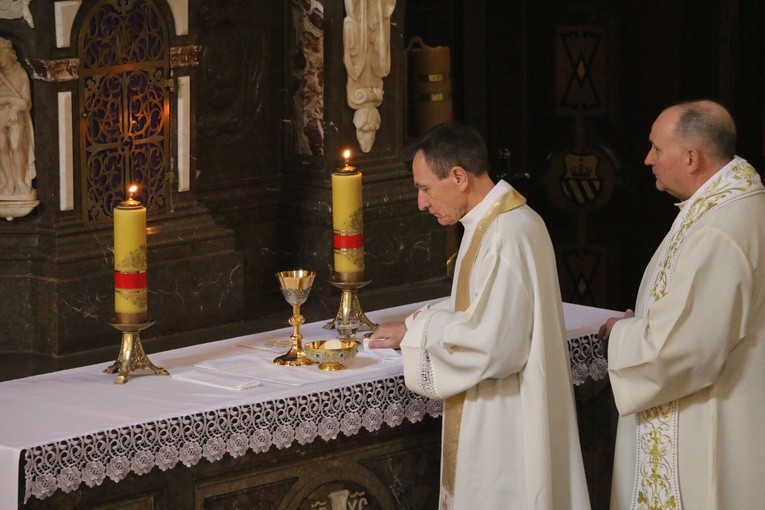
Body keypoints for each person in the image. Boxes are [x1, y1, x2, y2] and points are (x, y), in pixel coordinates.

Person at [368, 122, 591, 509]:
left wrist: (417, 333)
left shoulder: (509, 233)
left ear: (458, 177)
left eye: (424, 188)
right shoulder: (489, 223)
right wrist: (410, 325)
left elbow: (494, 344)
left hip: (507, 415)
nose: (421, 203)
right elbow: (477, 305)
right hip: (496, 408)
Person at [598, 100, 765, 509]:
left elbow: (682, 349)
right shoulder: (727, 205)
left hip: (709, 423)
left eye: (656, 148)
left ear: (692, 158)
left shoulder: (720, 228)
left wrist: (618, 335)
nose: (647, 159)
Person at [0, 37, 35, 199]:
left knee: (15, 146)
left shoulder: (21, 74)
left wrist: (16, 106)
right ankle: (9, 182)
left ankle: (20, 180)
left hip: (16, 115)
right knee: (2, 148)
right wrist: (11, 99)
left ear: (9, 54)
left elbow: (26, 101)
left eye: (2, 54)